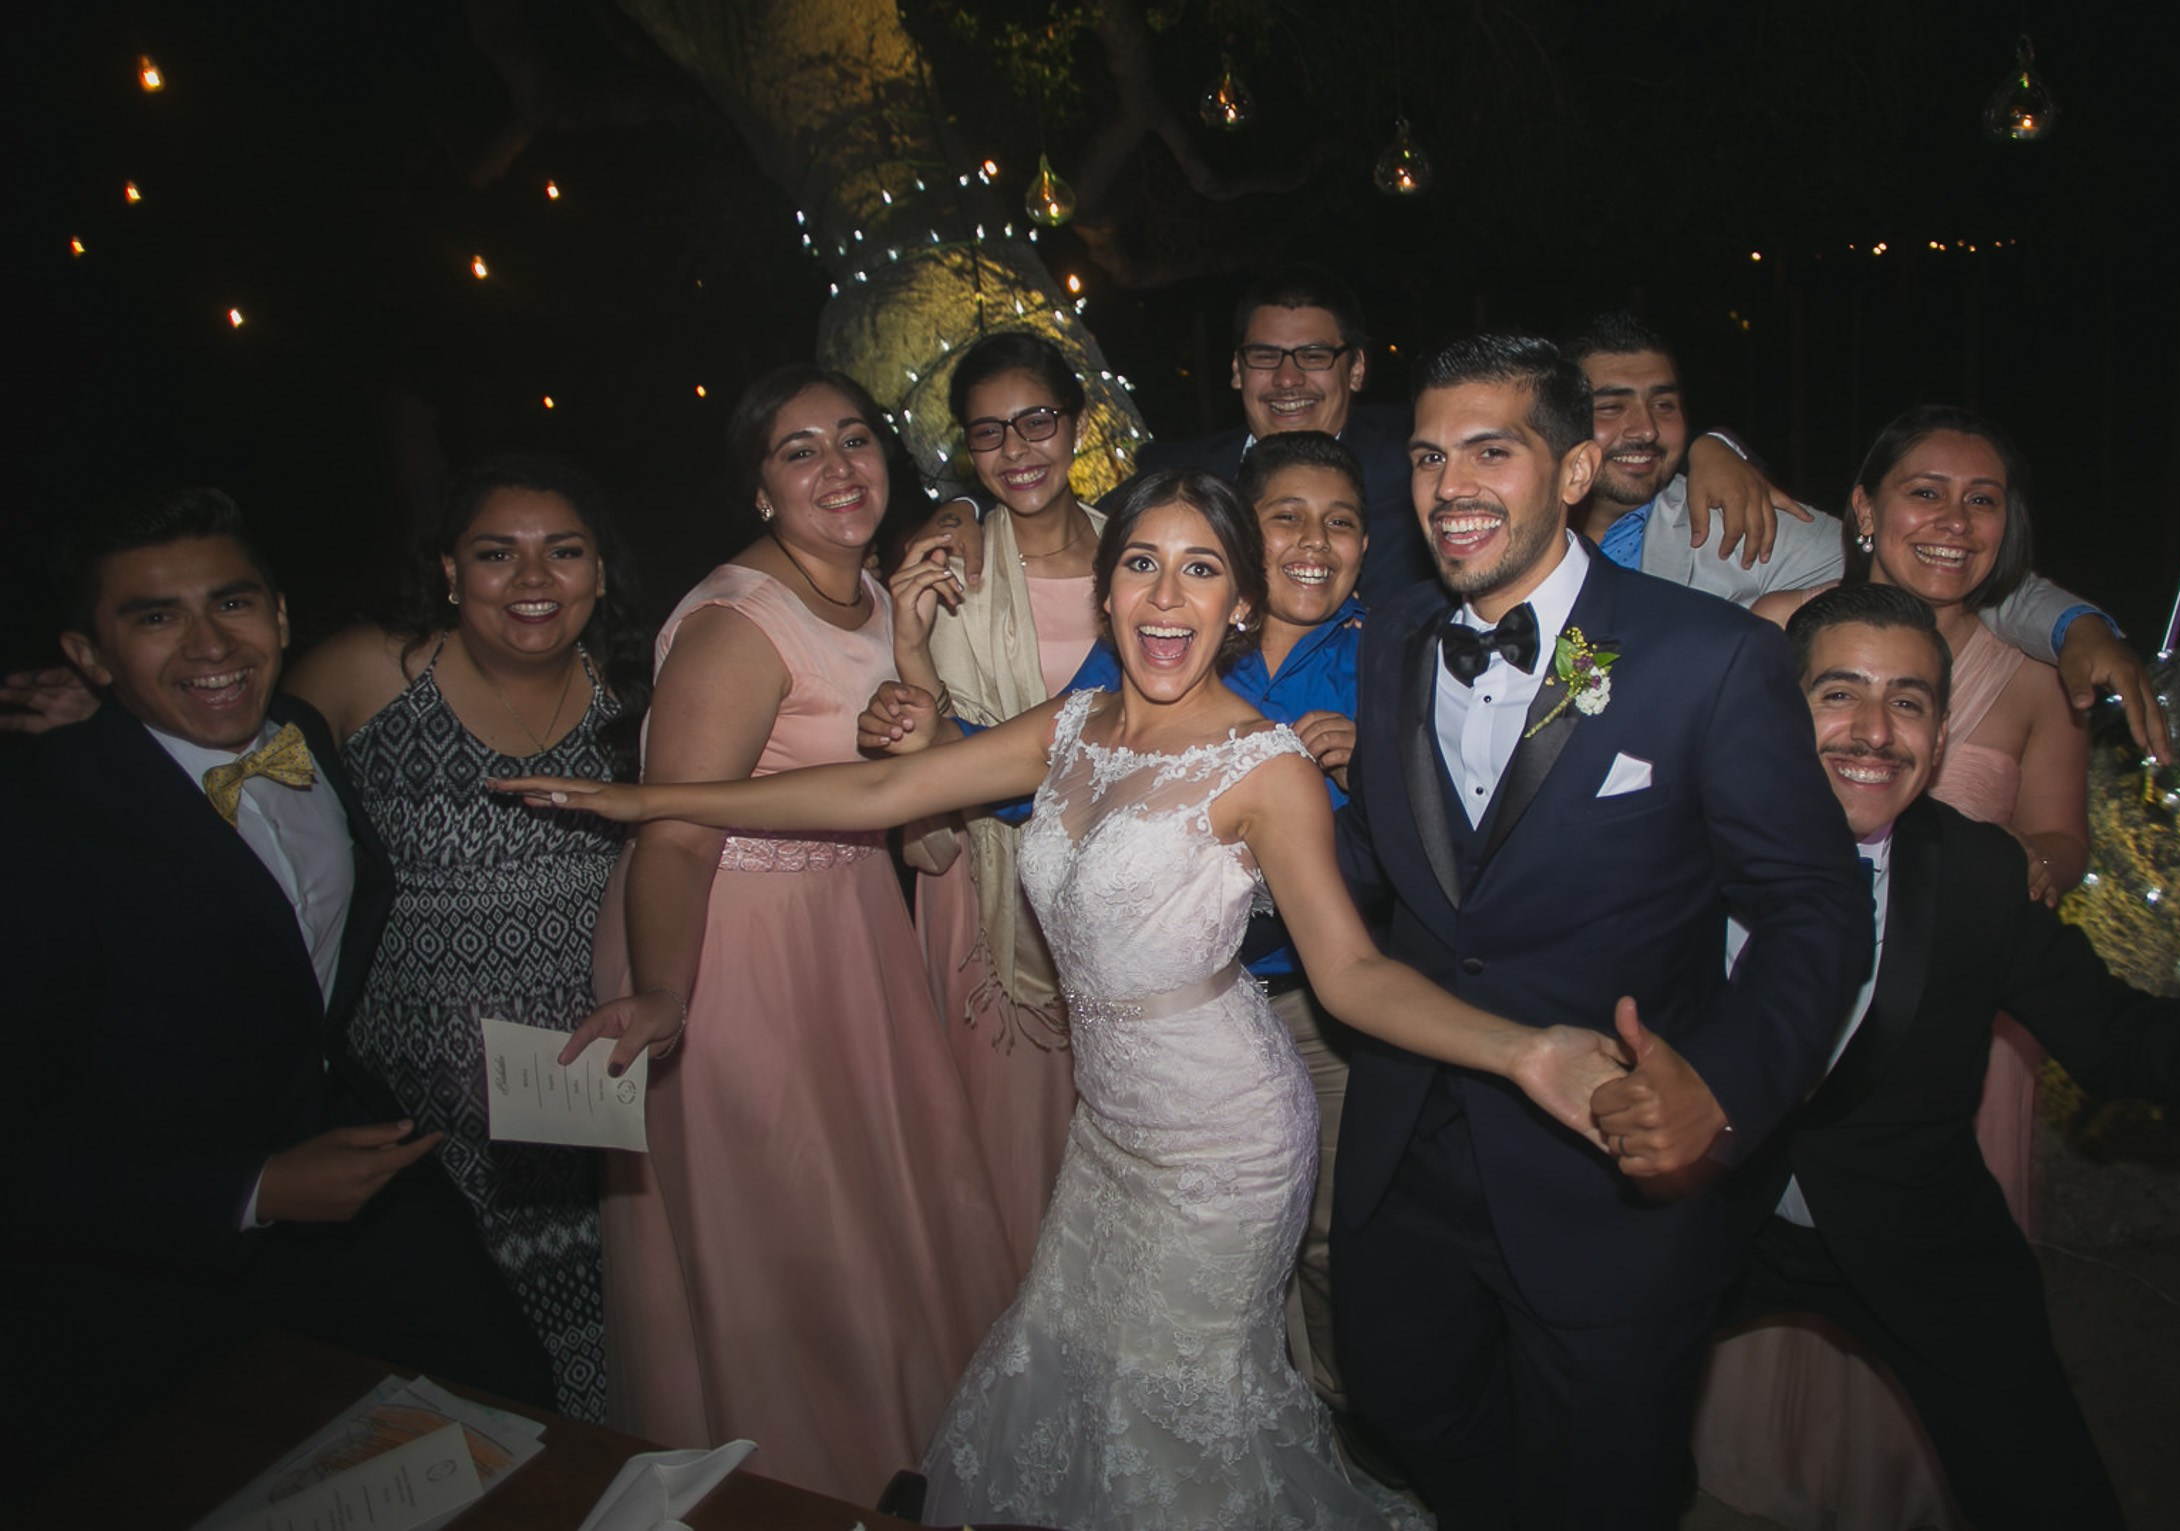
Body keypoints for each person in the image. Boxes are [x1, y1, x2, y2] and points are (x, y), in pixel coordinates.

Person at [494, 470, 1629, 1531]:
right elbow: (887, 784)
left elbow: (1355, 975)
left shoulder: (1262, 766)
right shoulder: (1073, 726)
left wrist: (1524, 1050)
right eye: (1141, 564)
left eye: (1200, 568)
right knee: (1074, 1376)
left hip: (1224, 1145)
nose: (1166, 596)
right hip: (1109, 1131)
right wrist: (644, 799)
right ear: (1105, 591)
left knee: (1182, 1422)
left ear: (1239, 603)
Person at [1691, 582, 2180, 1530]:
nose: (1875, 731)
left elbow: (2122, 1037)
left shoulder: (1980, 874)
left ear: (1939, 731)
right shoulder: (1674, 844)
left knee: (2050, 1495)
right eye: (1839, 693)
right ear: (1779, 705)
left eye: (1911, 702)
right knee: (1575, 1447)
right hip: (1699, 1219)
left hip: (1920, 1236)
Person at [1328, 334, 1874, 1528]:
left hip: (1607, 1176)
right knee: (1398, 1402)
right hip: (1408, 1146)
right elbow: (1397, 866)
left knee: (1605, 1489)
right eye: (1427, 455)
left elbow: (1815, 909)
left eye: (1491, 450)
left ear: (1574, 471)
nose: (1449, 486)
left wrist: (1722, 1089)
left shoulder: (1707, 659)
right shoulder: (1396, 634)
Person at [1, 488, 551, 1476]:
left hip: (364, 1170)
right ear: (89, 655)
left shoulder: (300, 726)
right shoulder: (41, 830)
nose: (211, 644)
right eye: (155, 617)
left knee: (508, 1410)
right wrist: (252, 1191)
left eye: (233, 602)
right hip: (164, 1250)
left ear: (282, 615)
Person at [573, 366, 1017, 1503]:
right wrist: (669, 991)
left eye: (856, 440)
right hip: (730, 942)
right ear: (759, 491)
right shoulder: (735, 620)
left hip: (846, 924)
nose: (838, 468)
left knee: (883, 1200)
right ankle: (805, 1479)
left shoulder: (872, 589)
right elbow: (673, 833)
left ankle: (915, 1457)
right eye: (800, 450)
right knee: (794, 1224)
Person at [921, 429, 1374, 1405]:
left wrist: (1369, 776)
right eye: (1287, 516)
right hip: (1140, 1075)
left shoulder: (1391, 669)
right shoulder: (1147, 646)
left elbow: (1427, 876)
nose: (1314, 540)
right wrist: (922, 726)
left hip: (1317, 1015)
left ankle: (1341, 1412)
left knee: (1333, 1249)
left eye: (1340, 522)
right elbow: (1047, 786)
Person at [1714, 409, 2094, 1527]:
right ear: (1865, 512)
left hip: (1933, 1026)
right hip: (1743, 1103)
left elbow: (2059, 840)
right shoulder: (1768, 634)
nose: (1955, 520)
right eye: (1926, 493)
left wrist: (1999, 887)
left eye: (1984, 500)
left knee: (1990, 1396)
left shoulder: (2031, 675)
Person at [275, 455, 649, 1421]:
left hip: (583, 1094)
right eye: (497, 553)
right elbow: (230, 774)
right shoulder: (366, 673)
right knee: (451, 1384)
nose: (533, 580)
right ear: (448, 570)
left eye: (563, 552)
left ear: (600, 572)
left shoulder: (637, 691)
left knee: (606, 1359)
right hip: (415, 1109)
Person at [924, 266, 1798, 599]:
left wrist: (1717, 446)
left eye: (1315, 356)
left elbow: (1556, 420)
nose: (1290, 379)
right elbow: (1059, 518)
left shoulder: (1427, 457)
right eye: (1267, 357)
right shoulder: (1178, 469)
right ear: (1235, 372)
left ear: (1357, 369)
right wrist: (962, 504)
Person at [1564, 311, 2174, 765]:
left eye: (1665, 406)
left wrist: (2078, 628)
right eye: (1611, 407)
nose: (1644, 428)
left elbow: (1935, 566)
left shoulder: (1731, 523)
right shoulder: (1506, 534)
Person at [884, 331, 1098, 1276]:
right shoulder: (948, 574)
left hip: (1124, 890)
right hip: (984, 897)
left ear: (1079, 421)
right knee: (1012, 1170)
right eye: (987, 435)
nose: (1017, 450)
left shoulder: (1145, 551)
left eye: (1037, 421)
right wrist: (908, 649)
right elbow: (918, 743)